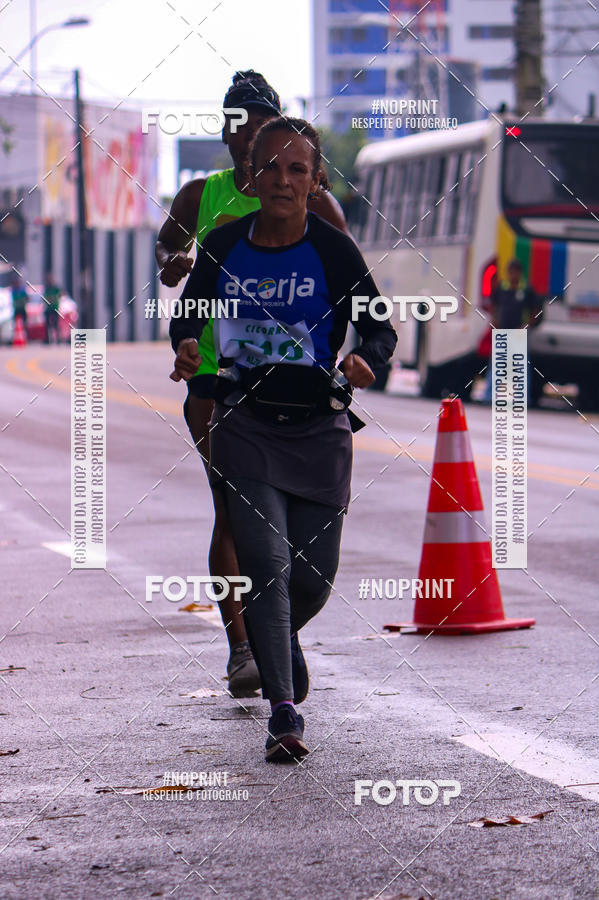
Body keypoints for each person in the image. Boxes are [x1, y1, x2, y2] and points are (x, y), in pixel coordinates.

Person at [169, 117, 397, 761]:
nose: (282, 180)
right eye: (270, 166)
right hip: (244, 424)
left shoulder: (333, 251)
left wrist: (365, 360)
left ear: (316, 180)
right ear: (252, 174)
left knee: (313, 580)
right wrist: (186, 345)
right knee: (266, 566)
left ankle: (279, 640)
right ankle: (283, 713)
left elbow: (380, 329)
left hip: (320, 430)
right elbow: (190, 310)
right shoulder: (224, 244)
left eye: (298, 169)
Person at [156, 71, 349, 697]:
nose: (248, 137)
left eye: (261, 126)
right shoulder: (201, 197)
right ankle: (243, 648)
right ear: (225, 133)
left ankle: (278, 632)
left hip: (300, 388)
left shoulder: (316, 203)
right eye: (238, 125)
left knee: (292, 526)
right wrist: (176, 264)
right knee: (234, 510)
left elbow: (348, 280)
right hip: (219, 378)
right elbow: (168, 252)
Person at [483, 259, 543, 405]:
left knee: (520, 366)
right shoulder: (502, 288)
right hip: (503, 331)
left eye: (516, 272)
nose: (513, 275)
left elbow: (536, 310)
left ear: (520, 273)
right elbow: (494, 305)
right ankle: (489, 395)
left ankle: (522, 397)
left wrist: (526, 326)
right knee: (497, 363)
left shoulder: (526, 289)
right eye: (511, 271)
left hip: (518, 333)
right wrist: (495, 321)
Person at [43, 272, 61, 344]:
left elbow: (60, 295)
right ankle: (48, 339)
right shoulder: (47, 289)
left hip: (55, 308)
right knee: (48, 325)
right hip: (48, 309)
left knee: (56, 324)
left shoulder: (56, 288)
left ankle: (58, 339)